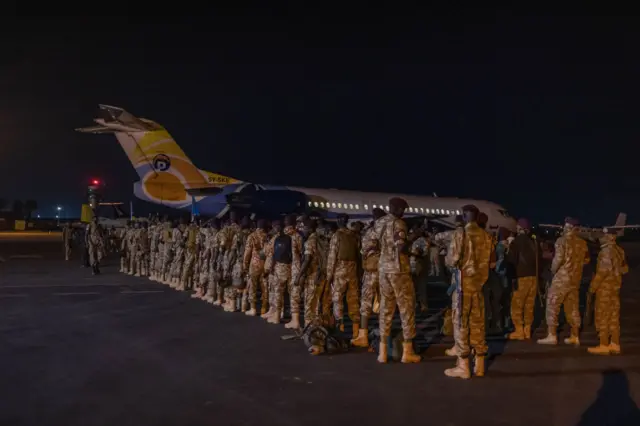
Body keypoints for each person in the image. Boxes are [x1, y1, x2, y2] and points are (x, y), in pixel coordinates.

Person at [444, 205, 492, 379]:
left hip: (463, 286)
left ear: (464, 217)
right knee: (478, 324)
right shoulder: (487, 236)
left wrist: (447, 259)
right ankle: (479, 364)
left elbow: (452, 260)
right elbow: (490, 263)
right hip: (478, 286)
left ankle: (463, 365)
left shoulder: (460, 234)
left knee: (461, 324)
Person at [373, 197, 420, 364]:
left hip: (383, 269)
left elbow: (370, 244)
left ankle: (382, 352)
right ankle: (407, 351)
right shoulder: (399, 224)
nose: (404, 212)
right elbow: (402, 247)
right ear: (396, 208)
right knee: (406, 308)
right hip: (398, 270)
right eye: (402, 209)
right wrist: (414, 236)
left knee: (386, 308)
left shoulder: (379, 223)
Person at [538, 217, 590, 346]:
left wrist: (552, 270)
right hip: (575, 279)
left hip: (562, 279)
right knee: (572, 307)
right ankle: (575, 335)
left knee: (552, 305)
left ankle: (552, 335)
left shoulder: (562, 241)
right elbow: (586, 260)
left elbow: (558, 259)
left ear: (567, 227)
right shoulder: (582, 243)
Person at [587, 228, 627, 355]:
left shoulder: (606, 251)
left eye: (604, 235)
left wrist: (592, 288)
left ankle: (603, 344)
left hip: (605, 289)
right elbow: (625, 269)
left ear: (610, 236)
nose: (601, 237)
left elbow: (602, 272)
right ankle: (615, 343)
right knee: (614, 317)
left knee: (603, 316)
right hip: (615, 289)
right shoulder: (620, 251)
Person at [352, 208, 386, 348]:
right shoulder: (389, 229)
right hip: (386, 272)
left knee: (366, 302)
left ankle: (363, 335)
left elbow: (363, 251)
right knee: (384, 303)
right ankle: (383, 336)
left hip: (372, 271)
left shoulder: (370, 231)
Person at [327, 213, 360, 335]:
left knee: (338, 299)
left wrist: (329, 275)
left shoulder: (337, 235)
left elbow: (332, 256)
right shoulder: (354, 235)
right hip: (352, 270)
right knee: (353, 299)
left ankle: (339, 328)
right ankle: (356, 330)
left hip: (340, 270)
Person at [506, 218, 538, 340]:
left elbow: (511, 261)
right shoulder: (534, 242)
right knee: (529, 305)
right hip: (533, 278)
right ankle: (527, 330)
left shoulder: (516, 242)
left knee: (517, 305)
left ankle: (519, 330)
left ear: (519, 228)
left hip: (521, 277)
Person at [243, 218, 269, 316]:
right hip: (265, 264)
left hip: (254, 264)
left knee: (253, 286)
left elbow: (247, 253)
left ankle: (253, 308)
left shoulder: (252, 236)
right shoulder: (268, 236)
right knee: (264, 287)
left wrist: (245, 265)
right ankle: (264, 308)